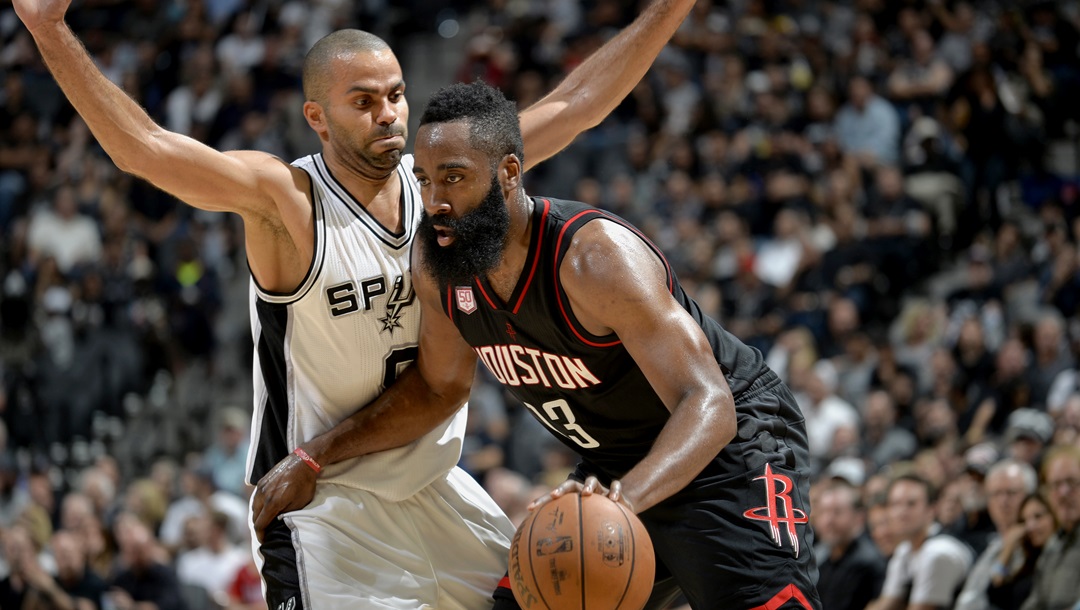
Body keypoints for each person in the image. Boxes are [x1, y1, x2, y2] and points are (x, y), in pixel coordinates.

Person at [11, 0, 699, 606]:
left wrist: (671, 7)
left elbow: (576, 105)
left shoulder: (445, 182)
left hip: (438, 488)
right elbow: (148, 151)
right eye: (364, 101)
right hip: (323, 501)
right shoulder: (287, 200)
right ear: (316, 115)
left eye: (396, 95)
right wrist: (49, 31)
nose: (388, 114)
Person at [408, 80, 821, 610]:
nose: (435, 202)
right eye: (423, 181)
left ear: (509, 173)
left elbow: (710, 406)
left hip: (730, 449)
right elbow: (435, 390)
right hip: (616, 465)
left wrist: (621, 503)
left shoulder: (593, 259)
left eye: (454, 178)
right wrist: (315, 456)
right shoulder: (443, 268)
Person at [866, 473, 973, 610]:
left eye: (911, 504)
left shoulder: (939, 552)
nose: (901, 512)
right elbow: (886, 604)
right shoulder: (905, 549)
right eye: (895, 504)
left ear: (931, 510)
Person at [955, 458, 1038, 610]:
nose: (1003, 501)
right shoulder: (993, 544)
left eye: (1011, 493)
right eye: (996, 494)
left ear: (1030, 496)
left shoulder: (1034, 543)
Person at [1021, 444, 1080, 610]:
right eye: (1055, 485)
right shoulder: (1054, 545)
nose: (1063, 492)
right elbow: (1036, 601)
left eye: (1072, 482)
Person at [813, 479, 887, 610]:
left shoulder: (868, 563)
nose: (828, 520)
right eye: (823, 512)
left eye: (837, 512)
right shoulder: (820, 557)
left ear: (859, 517)